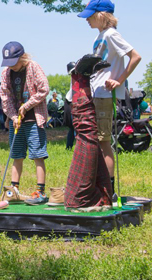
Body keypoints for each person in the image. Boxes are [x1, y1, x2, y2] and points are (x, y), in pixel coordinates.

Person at [78, 0, 141, 198]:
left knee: (104, 141)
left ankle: (108, 190)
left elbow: (135, 56)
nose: (86, 20)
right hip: (97, 92)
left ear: (101, 15)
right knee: (96, 141)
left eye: (90, 16)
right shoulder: (101, 36)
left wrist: (119, 80)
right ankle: (100, 185)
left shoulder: (112, 34)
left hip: (105, 94)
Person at [0, 42, 50, 205]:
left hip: (34, 119)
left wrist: (26, 106)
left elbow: (44, 89)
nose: (11, 66)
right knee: (16, 155)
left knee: (37, 155)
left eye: (14, 62)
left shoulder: (33, 67)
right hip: (17, 122)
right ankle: (14, 190)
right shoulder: (6, 73)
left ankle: (40, 191)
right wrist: (13, 116)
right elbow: (5, 97)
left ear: (22, 57)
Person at [64, 54, 113, 212]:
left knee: (87, 133)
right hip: (84, 200)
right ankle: (80, 76)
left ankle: (80, 76)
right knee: (88, 132)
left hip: (81, 200)